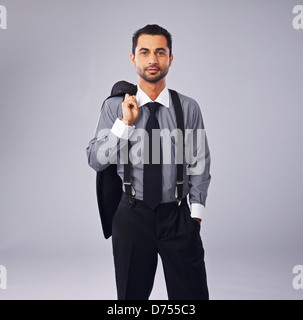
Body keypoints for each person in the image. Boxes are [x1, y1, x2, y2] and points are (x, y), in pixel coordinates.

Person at [86, 24, 211, 300]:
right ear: (133, 58)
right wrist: (123, 124)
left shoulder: (188, 107)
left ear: (170, 58)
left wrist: (196, 217)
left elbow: (199, 163)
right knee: (132, 299)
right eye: (144, 52)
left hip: (177, 217)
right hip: (132, 215)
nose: (152, 60)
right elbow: (96, 160)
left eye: (160, 52)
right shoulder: (114, 108)